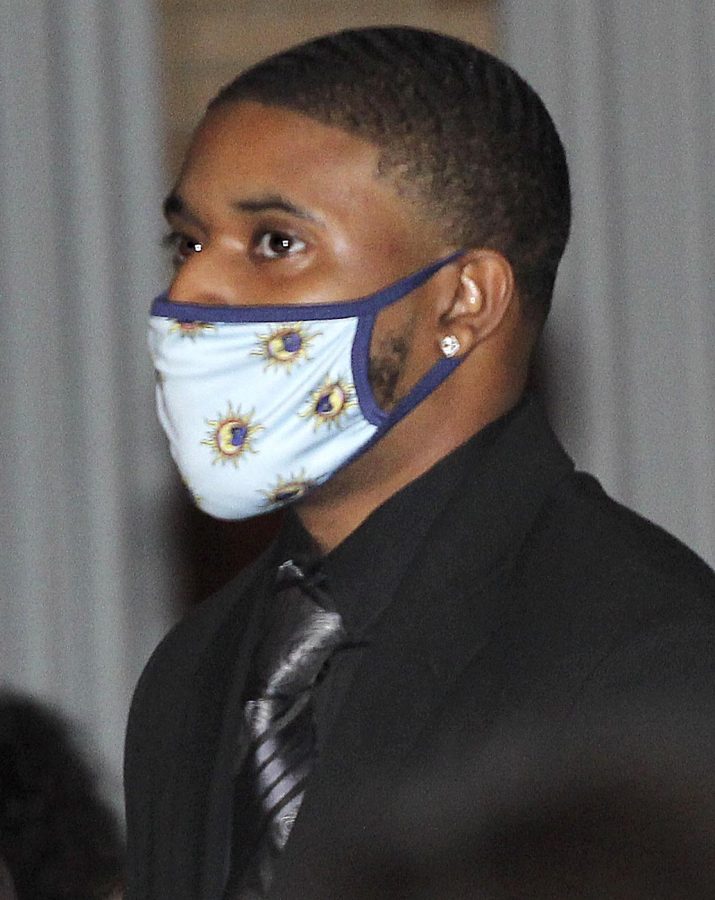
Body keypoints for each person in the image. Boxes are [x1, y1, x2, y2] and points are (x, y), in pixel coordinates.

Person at [124, 26, 715, 900]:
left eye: (276, 243)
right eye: (188, 242)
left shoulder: (650, 663)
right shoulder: (193, 672)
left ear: (462, 301)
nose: (191, 292)